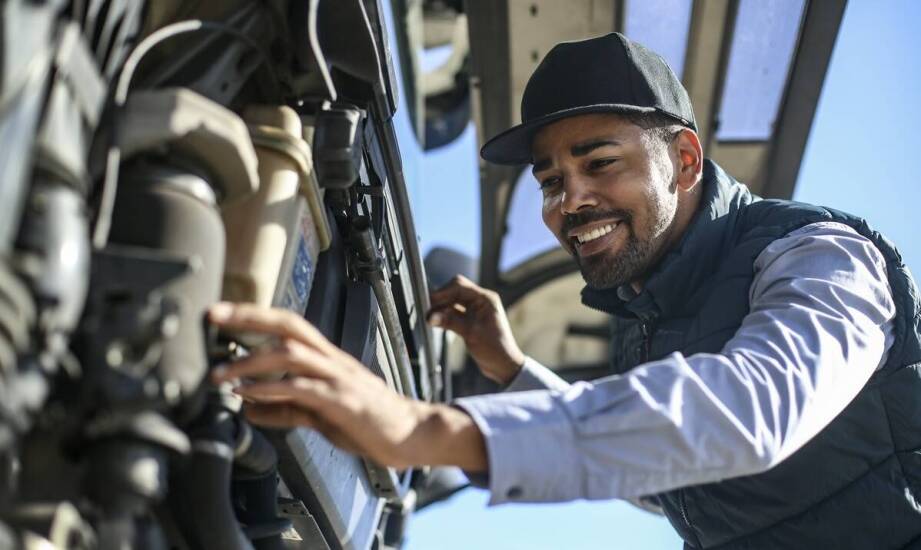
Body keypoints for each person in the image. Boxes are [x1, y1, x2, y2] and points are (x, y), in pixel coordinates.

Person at [209, 33, 921, 548]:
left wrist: (423, 430)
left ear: (682, 159)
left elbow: (750, 411)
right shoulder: (644, 318)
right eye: (550, 183)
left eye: (600, 163)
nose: (569, 202)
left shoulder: (821, 257)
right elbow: (668, 483)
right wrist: (510, 371)